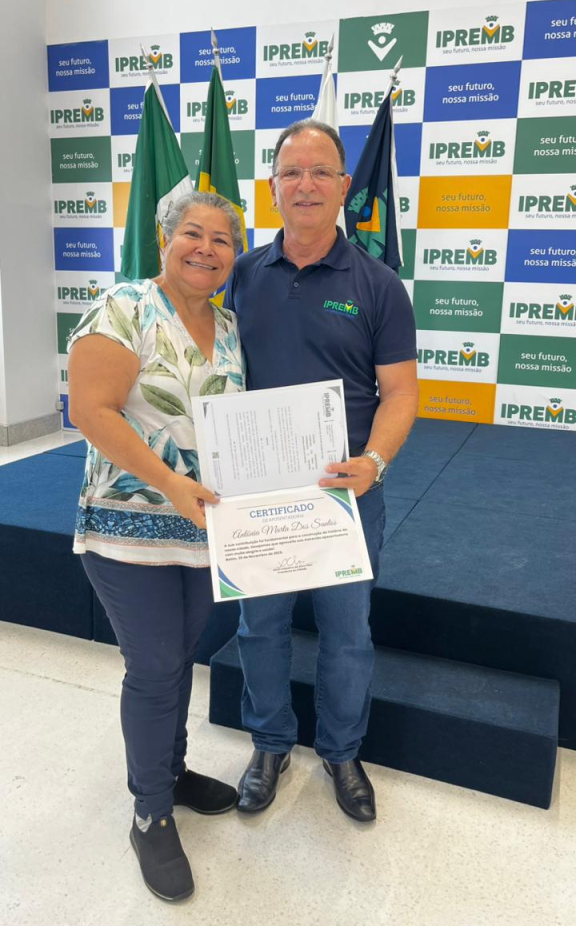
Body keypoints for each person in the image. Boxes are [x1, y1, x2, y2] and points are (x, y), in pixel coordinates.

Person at [225, 120, 418, 823]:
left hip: (346, 493)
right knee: (260, 629)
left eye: (319, 172)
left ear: (343, 187)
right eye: (291, 172)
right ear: (273, 187)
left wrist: (374, 462)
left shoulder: (380, 285)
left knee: (347, 635)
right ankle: (270, 743)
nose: (304, 184)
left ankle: (341, 751)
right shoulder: (241, 275)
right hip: (257, 494)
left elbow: (401, 393)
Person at [67, 192, 244, 902]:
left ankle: (171, 771)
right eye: (192, 234)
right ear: (163, 239)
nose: (206, 248)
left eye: (222, 240)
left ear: (234, 256)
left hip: (203, 531)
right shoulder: (124, 308)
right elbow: (90, 410)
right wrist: (170, 482)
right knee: (155, 666)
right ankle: (149, 812)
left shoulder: (230, 325)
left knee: (180, 659)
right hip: (127, 527)